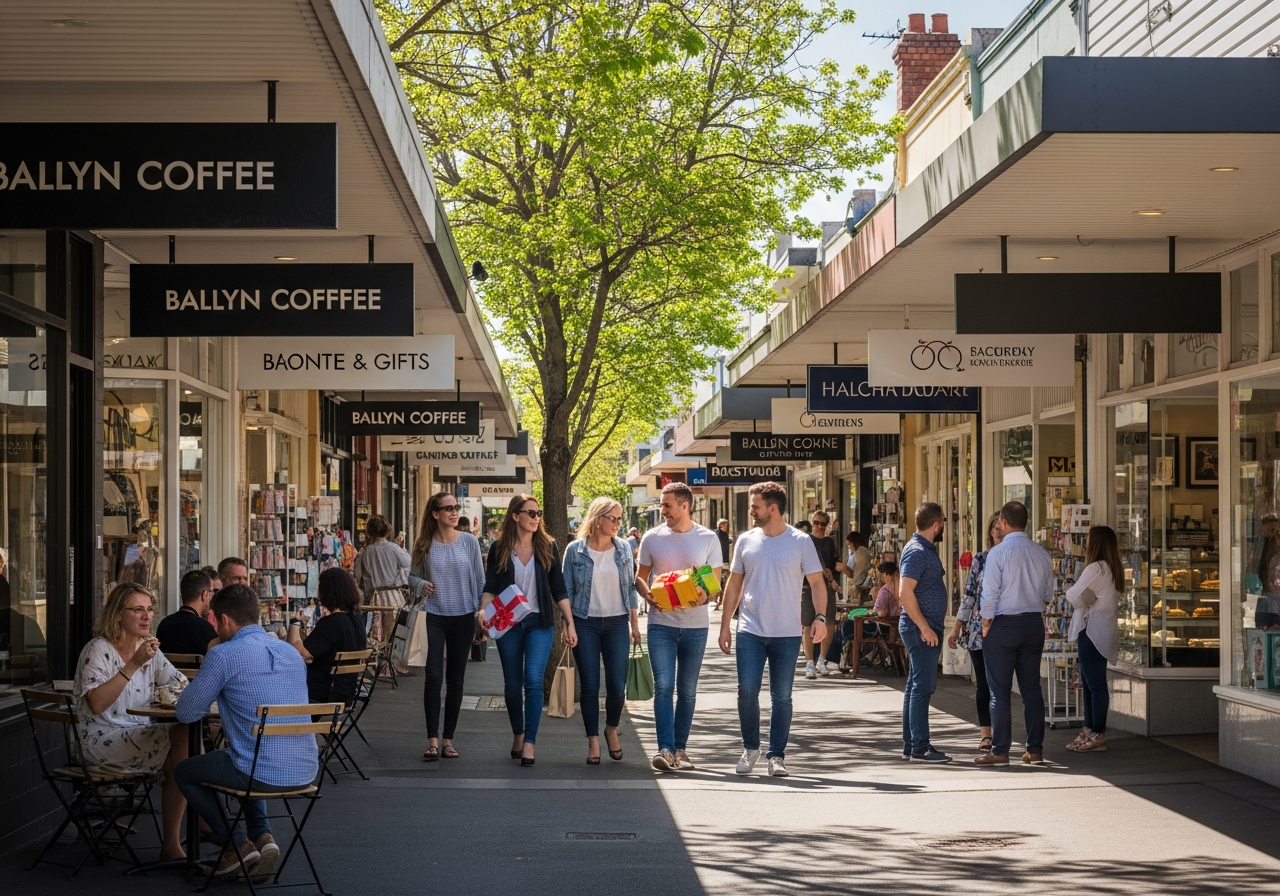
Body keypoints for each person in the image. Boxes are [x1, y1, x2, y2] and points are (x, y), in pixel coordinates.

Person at [174, 585, 318, 879]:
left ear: (223, 620)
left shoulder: (224, 654)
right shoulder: (290, 653)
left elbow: (186, 712)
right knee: (248, 753)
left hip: (257, 770)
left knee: (185, 772)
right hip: (305, 769)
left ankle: (236, 844)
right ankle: (263, 838)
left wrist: (211, 654)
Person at [73, 583, 189, 860]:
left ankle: (179, 841)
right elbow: (97, 704)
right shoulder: (97, 650)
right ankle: (195, 832)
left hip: (138, 734)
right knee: (184, 746)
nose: (147, 616)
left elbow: (181, 684)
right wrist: (134, 664)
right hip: (100, 740)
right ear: (117, 615)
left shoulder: (147, 649)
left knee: (185, 743)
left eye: (150, 609)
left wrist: (167, 693)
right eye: (138, 610)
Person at [718, 481, 826, 778]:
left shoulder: (801, 541)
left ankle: (776, 756)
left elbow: (817, 583)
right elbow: (735, 583)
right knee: (746, 691)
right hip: (750, 629)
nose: (751, 511)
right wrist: (726, 624)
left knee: (782, 696)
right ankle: (751, 748)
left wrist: (820, 617)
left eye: (755, 506)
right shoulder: (745, 540)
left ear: (773, 508)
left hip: (787, 632)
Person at [480, 494, 576, 767]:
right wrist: (482, 611)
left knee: (533, 681)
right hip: (507, 624)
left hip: (539, 623)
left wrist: (569, 622)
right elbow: (490, 587)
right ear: (515, 516)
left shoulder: (548, 547)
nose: (536, 518)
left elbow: (558, 588)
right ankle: (518, 733)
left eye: (538, 513)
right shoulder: (499, 549)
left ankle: (530, 742)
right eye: (530, 513)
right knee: (512, 684)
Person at [636, 482, 723, 772]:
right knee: (664, 686)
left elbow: (715, 585)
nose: (662, 511)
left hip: (697, 627)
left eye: (667, 505)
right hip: (661, 624)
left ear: (685, 506)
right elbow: (640, 576)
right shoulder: (652, 538)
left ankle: (681, 750)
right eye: (662, 505)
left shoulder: (708, 538)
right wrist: (646, 593)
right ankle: (665, 748)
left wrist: (704, 596)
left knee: (687, 690)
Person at [563, 497, 641, 764]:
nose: (618, 524)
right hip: (585, 622)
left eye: (620, 519)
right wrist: (568, 625)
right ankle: (593, 741)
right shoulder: (575, 551)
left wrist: (635, 623)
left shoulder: (623, 549)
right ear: (598, 520)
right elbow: (567, 592)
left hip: (617, 623)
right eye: (614, 519)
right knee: (590, 685)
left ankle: (611, 729)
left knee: (617, 686)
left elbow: (630, 587)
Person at [976, 501, 1054, 767]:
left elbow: (990, 595)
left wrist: (986, 624)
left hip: (1003, 624)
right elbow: (1047, 596)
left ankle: (1000, 750)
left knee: (999, 690)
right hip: (1032, 623)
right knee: (1031, 688)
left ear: (1004, 524)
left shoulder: (998, 554)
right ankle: (1035, 749)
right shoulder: (1042, 553)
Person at [410, 492, 486, 761]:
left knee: (456, 680)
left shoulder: (468, 542)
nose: (454, 512)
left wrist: (481, 613)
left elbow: (480, 580)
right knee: (433, 677)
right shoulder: (424, 545)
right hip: (434, 615)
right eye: (448, 508)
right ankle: (431, 740)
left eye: (456, 507)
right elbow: (412, 576)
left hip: (464, 615)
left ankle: (448, 740)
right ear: (435, 514)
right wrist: (421, 584)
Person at [899, 502, 952, 764]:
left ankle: (912, 745)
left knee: (915, 687)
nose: (944, 526)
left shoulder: (921, 549)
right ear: (936, 524)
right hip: (922, 629)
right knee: (922, 687)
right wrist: (924, 627)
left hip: (924, 627)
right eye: (944, 521)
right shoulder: (918, 551)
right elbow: (904, 592)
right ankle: (921, 748)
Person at [1065, 525, 1123, 754]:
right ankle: (1089, 729)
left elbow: (1072, 594)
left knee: (1094, 685)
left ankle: (1096, 732)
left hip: (1091, 631)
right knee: (1093, 683)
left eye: (1089, 540)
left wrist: (1083, 598)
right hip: (1104, 631)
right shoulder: (1111, 568)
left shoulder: (1095, 568)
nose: (1086, 543)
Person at [948, 513, 1002, 754]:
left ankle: (1003, 734)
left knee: (999, 684)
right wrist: (958, 625)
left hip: (1004, 629)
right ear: (989, 531)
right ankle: (986, 734)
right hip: (979, 630)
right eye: (994, 527)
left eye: (1002, 527)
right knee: (983, 684)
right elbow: (969, 594)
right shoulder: (980, 559)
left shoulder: (1013, 557)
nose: (998, 531)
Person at [286, 568, 368, 706]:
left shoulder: (331, 623)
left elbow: (300, 654)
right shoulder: (358, 620)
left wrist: (295, 623)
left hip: (320, 694)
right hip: (345, 692)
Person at [351, 514, 411, 641]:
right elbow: (408, 564)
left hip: (376, 596)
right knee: (395, 633)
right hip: (394, 595)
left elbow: (365, 578)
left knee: (377, 635)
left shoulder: (367, 551)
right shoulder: (394, 548)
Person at [803, 511, 840, 678]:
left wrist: (832, 574)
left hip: (826, 586)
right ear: (812, 523)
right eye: (816, 523)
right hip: (807, 586)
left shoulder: (829, 542)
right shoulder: (804, 541)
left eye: (823, 524)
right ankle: (809, 662)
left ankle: (821, 660)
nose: (819, 527)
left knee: (829, 623)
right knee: (808, 624)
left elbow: (834, 564)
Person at [157, 568, 219, 657]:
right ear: (204, 595)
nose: (211, 596)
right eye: (211, 592)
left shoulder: (164, 625)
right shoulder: (205, 628)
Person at [837, 531, 873, 604]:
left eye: (849, 544)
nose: (848, 546)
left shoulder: (862, 553)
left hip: (858, 587)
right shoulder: (853, 552)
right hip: (853, 586)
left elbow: (858, 573)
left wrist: (845, 569)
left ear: (855, 542)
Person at [715, 520, 732, 608]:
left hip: (724, 562)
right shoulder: (717, 535)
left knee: (723, 581)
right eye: (726, 525)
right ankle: (718, 600)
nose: (727, 527)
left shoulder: (724, 535)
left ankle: (719, 601)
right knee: (722, 582)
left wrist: (729, 541)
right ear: (721, 526)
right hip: (719, 562)